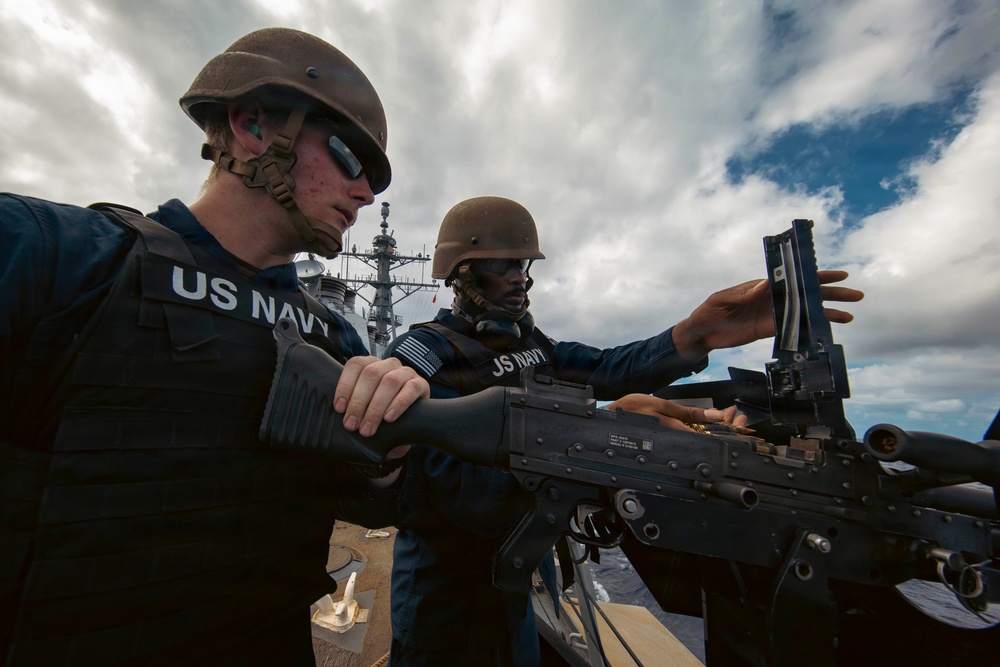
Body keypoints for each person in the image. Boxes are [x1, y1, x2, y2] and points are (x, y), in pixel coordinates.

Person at [0, 28, 429, 665]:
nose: (367, 192)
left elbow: (367, 501)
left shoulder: (333, 336)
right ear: (253, 126)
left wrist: (391, 450)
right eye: (349, 157)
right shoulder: (59, 257)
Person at [384, 196, 864, 666]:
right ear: (463, 275)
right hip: (443, 592)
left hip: (517, 581)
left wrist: (696, 334)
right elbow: (449, 485)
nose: (520, 278)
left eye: (525, 265)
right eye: (504, 265)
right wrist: (604, 442)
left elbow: (608, 366)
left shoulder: (532, 345)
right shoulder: (422, 355)